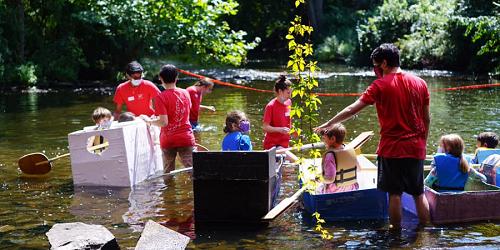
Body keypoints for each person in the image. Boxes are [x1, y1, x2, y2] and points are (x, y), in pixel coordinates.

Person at [314, 43, 430, 228]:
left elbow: (352, 109)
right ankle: (426, 232)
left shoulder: (380, 86)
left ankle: (396, 235)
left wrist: (329, 124)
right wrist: (422, 142)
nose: (375, 70)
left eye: (376, 65)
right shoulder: (420, 83)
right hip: (416, 147)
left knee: (394, 194)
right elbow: (426, 119)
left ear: (384, 63)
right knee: (418, 193)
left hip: (392, 149)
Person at [144, 64, 195, 173]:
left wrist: (149, 122)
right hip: (186, 137)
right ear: (176, 78)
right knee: (192, 171)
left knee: (168, 173)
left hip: (168, 139)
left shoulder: (160, 97)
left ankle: (169, 190)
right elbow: (187, 111)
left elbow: (163, 122)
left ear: (160, 79)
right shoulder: (186, 93)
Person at [263, 74, 298, 162]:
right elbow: (265, 127)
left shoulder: (289, 102)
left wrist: (293, 130)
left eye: (291, 92)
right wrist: (280, 129)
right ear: (280, 91)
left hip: (284, 144)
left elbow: (288, 121)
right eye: (288, 93)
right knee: (296, 161)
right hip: (273, 146)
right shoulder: (270, 106)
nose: (290, 96)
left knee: (286, 170)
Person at [316, 123, 359, 194]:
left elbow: (330, 179)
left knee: (318, 188)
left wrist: (319, 179)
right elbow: (359, 169)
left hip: (335, 191)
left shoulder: (330, 156)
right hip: (352, 189)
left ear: (333, 139)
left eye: (324, 138)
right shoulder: (350, 150)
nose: (323, 142)